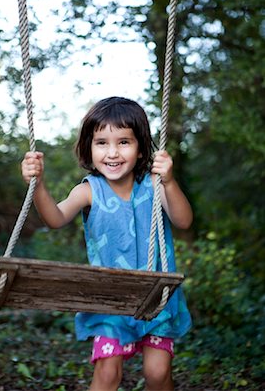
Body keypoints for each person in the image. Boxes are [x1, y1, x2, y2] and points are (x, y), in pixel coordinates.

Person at [21, 96, 193, 391]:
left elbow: (184, 220)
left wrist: (170, 182)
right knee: (107, 373)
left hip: (156, 297)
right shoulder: (89, 191)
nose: (112, 152)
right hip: (109, 299)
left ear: (141, 150)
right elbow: (55, 218)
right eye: (102, 142)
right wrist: (38, 185)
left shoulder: (154, 185)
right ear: (89, 147)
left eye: (124, 142)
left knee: (157, 372)